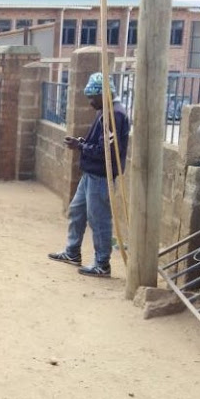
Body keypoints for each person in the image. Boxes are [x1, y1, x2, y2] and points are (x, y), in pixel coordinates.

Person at [48, 72, 130, 277]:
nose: (90, 102)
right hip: (90, 174)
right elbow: (101, 146)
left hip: (100, 177)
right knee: (77, 211)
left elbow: (107, 153)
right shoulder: (105, 112)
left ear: (104, 95)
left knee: (99, 219)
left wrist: (81, 147)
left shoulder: (114, 115)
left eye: (93, 97)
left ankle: (102, 263)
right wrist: (83, 144)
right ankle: (72, 252)